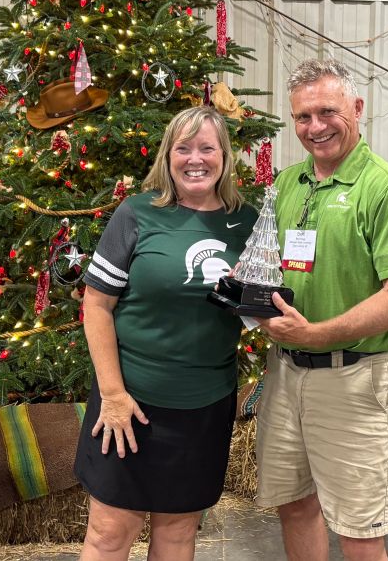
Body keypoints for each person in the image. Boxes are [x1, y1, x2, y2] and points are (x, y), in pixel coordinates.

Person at [254, 59, 388, 561]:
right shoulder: (288, 185)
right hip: (286, 377)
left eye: (328, 111)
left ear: (357, 108)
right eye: (303, 117)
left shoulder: (387, 190)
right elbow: (271, 267)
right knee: (295, 505)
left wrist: (318, 335)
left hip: (356, 381)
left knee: (359, 531)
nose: (315, 127)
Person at [74, 106, 257, 561]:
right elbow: (95, 305)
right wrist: (112, 395)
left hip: (204, 408)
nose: (196, 159)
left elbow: (259, 312)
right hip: (129, 405)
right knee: (110, 533)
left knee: (178, 534)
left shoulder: (249, 223)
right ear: (168, 156)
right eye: (184, 148)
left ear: (225, 156)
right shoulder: (136, 214)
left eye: (207, 148)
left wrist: (252, 293)